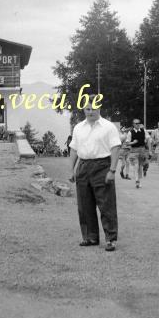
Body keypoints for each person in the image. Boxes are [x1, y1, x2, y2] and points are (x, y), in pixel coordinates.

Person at [69, 97, 121, 252]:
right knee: (84, 205)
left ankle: (111, 239)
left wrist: (112, 170)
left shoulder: (108, 127)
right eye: (87, 109)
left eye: (93, 109)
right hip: (83, 166)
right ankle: (90, 237)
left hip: (102, 166)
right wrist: (71, 170)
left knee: (106, 204)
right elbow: (74, 149)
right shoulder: (78, 127)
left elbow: (115, 148)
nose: (90, 112)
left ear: (99, 108)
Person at [127, 118, 149, 188]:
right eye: (136, 123)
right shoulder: (130, 132)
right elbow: (127, 143)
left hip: (142, 151)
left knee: (140, 167)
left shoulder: (143, 131)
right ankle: (137, 180)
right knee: (136, 166)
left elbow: (148, 138)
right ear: (133, 124)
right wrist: (133, 142)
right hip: (134, 151)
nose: (138, 124)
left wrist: (147, 142)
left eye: (139, 123)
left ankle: (139, 181)